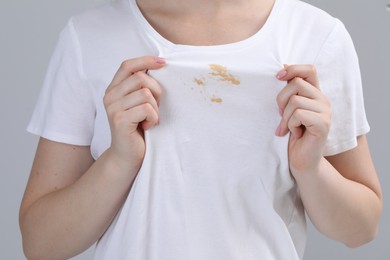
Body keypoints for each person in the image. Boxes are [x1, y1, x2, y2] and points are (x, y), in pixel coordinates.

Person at [19, 0, 382, 259]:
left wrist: (311, 168)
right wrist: (119, 160)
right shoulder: (90, 37)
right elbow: (41, 244)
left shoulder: (315, 37)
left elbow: (361, 228)